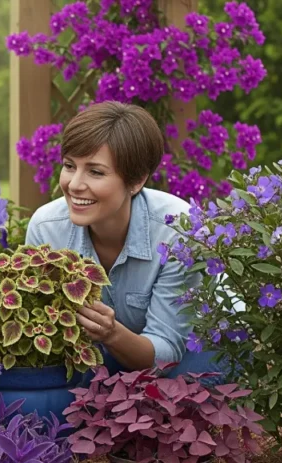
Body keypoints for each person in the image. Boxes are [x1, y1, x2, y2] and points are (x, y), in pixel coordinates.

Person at [24, 101, 226, 384]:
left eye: (96, 172)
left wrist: (112, 334)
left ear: (137, 181)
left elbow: (166, 354)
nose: (74, 184)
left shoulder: (178, 233)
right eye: (70, 166)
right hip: (98, 362)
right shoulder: (46, 229)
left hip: (191, 357)